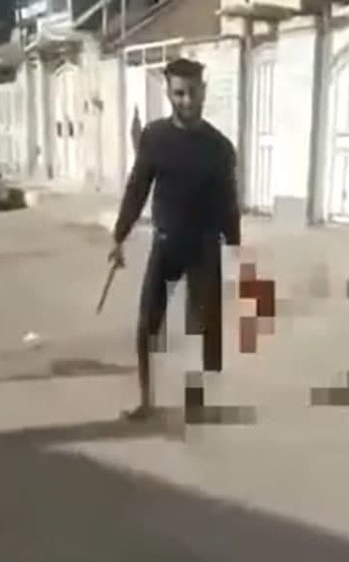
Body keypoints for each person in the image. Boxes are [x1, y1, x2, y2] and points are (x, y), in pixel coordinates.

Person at [108, 58, 241, 421]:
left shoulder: (219, 147)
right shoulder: (155, 138)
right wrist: (119, 236)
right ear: (168, 93)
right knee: (147, 325)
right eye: (179, 93)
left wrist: (234, 249)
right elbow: (137, 188)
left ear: (203, 91)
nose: (187, 101)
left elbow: (229, 203)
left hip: (204, 248)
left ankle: (200, 402)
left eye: (193, 92)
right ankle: (146, 401)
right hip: (167, 245)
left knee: (204, 329)